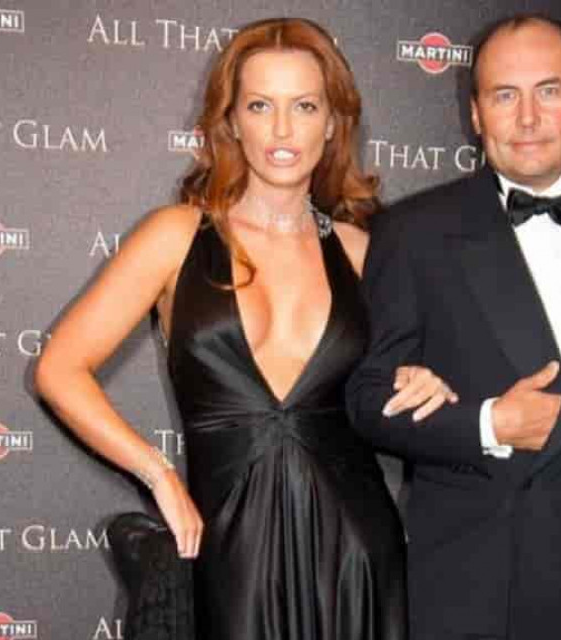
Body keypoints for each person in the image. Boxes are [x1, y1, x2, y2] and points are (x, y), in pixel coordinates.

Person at [34, 18, 458, 640]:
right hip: (228, 555)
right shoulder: (175, 236)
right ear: (231, 121)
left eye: (305, 106)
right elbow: (59, 370)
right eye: (261, 106)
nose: (282, 131)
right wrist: (158, 475)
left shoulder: (364, 252)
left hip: (357, 555)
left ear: (333, 122)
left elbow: (404, 389)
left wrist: (423, 379)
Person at [347, 13, 561, 640]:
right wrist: (489, 424)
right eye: (505, 95)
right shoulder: (413, 232)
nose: (528, 118)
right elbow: (368, 403)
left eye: (548, 90)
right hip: (469, 582)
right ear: (476, 113)